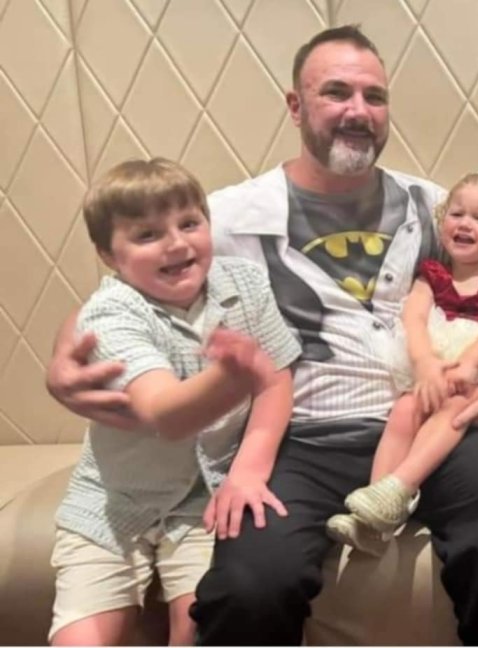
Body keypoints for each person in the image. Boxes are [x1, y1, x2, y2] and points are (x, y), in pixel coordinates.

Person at [45, 26, 478, 646]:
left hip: (424, 420)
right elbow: (129, 284)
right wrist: (64, 354)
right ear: (296, 106)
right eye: (336, 92)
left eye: (374, 96)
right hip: (299, 437)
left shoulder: (438, 208)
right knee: (250, 584)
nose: (358, 111)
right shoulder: (231, 215)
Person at [49, 158, 300, 646]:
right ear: (108, 254)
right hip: (113, 503)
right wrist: (231, 376)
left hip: (205, 504)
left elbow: (275, 383)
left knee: (203, 626)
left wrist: (249, 470)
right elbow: (165, 415)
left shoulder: (246, 283)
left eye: (189, 224)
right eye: (147, 235)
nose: (177, 243)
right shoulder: (111, 312)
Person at [326, 169, 478, 555]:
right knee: (404, 410)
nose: (464, 223)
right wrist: (425, 364)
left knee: (458, 406)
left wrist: (470, 364)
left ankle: (399, 488)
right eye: (457, 213)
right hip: (430, 368)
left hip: (476, 370)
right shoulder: (432, 274)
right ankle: (372, 511)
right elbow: (414, 319)